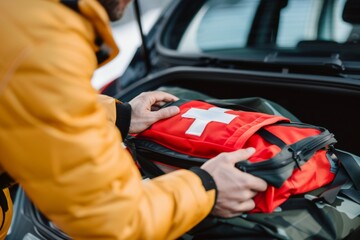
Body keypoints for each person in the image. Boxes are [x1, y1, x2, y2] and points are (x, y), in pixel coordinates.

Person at [0, 0, 267, 239]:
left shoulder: (24, 16)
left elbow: (26, 101)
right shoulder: (44, 43)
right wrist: (206, 187)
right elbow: (109, 218)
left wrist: (121, 116)